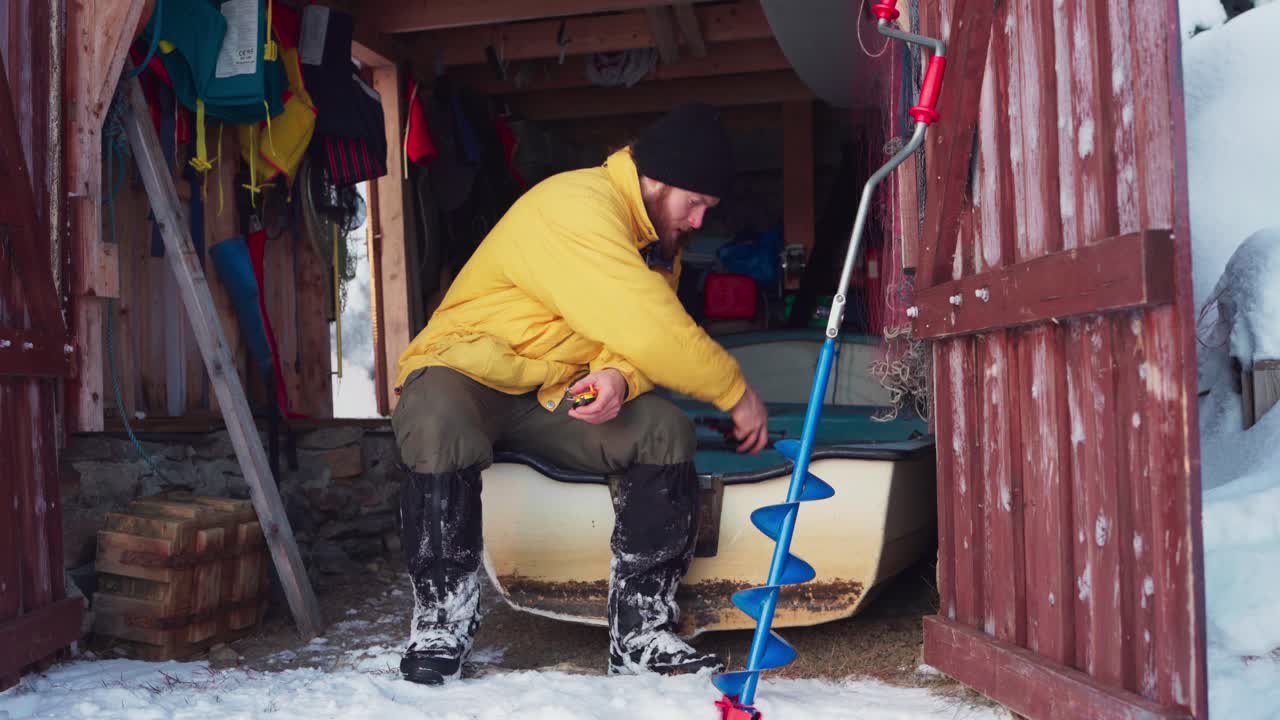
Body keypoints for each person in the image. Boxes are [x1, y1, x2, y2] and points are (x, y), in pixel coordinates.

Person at [391, 102, 770, 685]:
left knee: (662, 429)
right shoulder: (577, 205)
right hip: (470, 370)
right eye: (695, 204)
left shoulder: (654, 244)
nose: (698, 222)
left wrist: (619, 377)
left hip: (553, 392)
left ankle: (641, 631)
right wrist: (734, 391)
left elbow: (633, 338)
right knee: (438, 419)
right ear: (658, 182)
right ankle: (441, 622)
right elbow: (647, 323)